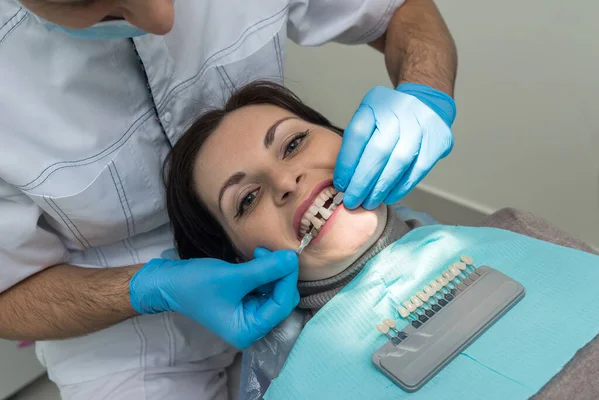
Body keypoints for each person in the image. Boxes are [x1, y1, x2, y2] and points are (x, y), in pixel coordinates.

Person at [0, 1, 458, 398]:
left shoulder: (505, 238)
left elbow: (397, 8)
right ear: (234, 253)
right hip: (121, 337)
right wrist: (152, 288)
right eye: (246, 199)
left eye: (293, 143)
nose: (161, 17)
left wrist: (425, 93)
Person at [164, 80, 599, 399]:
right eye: (247, 199)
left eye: (294, 143)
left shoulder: (516, 228)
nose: (286, 180)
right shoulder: (299, 389)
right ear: (237, 263)